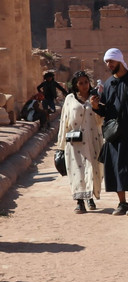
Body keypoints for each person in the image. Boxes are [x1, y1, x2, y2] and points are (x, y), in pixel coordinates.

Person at [55, 71, 102, 213]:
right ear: (75, 85)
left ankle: (90, 197)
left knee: (92, 169)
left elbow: (100, 121)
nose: (84, 86)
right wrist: (61, 146)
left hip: (92, 140)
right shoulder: (70, 99)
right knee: (77, 171)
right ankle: (79, 201)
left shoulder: (95, 98)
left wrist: (96, 107)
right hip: (74, 142)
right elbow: (64, 122)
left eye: (86, 82)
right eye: (80, 83)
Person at [93, 47, 128, 215]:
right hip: (115, 133)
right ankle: (122, 203)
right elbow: (105, 110)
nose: (108, 64)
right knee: (117, 167)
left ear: (119, 61)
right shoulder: (108, 83)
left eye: (111, 61)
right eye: (106, 61)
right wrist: (95, 107)